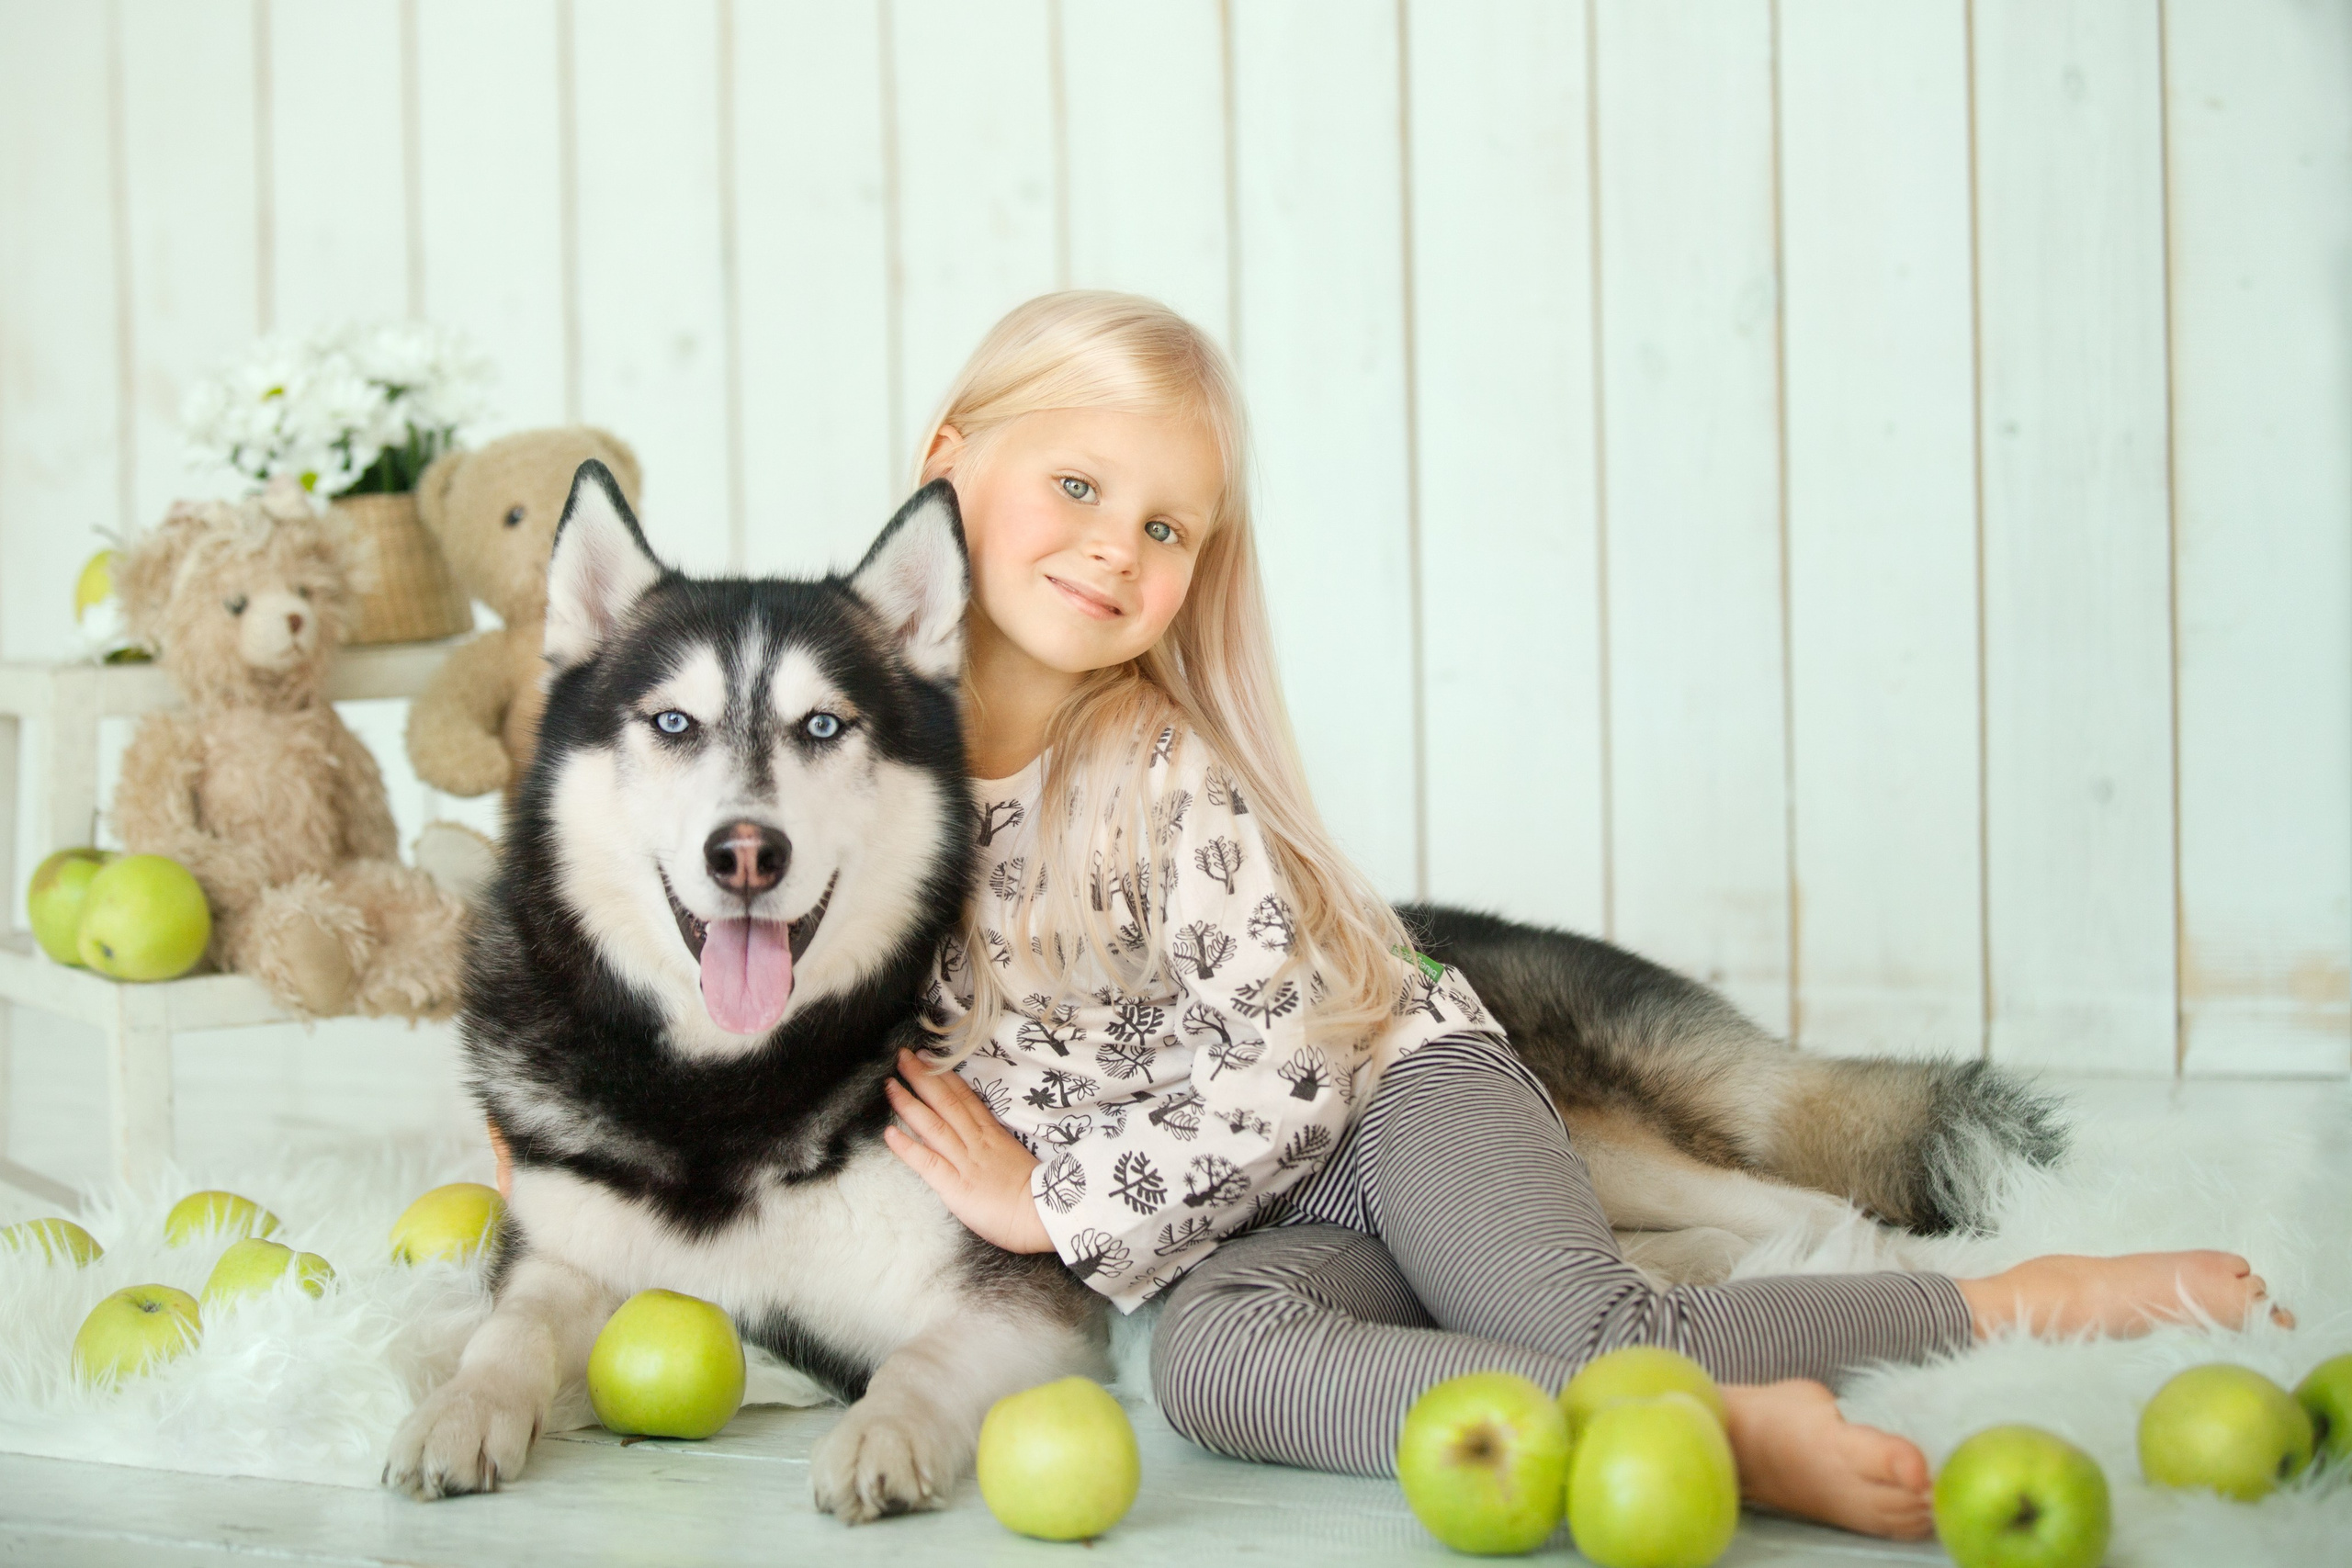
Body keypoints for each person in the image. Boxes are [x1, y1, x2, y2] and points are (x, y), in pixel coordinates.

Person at [860, 291, 2292, 1540]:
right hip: (1240, 1227)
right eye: (1079, 486)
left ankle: (2007, 1302)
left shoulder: (1165, 774)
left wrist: (1046, 1202)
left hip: (1387, 1096)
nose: (1118, 548)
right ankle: (1715, 1429)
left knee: (1592, 1322)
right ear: (949, 462)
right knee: (1213, 1372)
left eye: (1165, 523)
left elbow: (1287, 1073)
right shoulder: (843, 762)